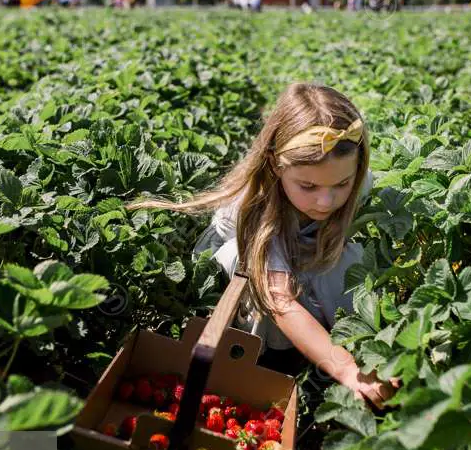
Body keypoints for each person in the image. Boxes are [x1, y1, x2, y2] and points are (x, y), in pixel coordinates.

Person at [127, 83, 400, 410]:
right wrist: (343, 368)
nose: (326, 200)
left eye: (341, 184)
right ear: (275, 165)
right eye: (308, 186)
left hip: (308, 249)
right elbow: (279, 299)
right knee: (257, 288)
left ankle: (354, 344)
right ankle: (273, 362)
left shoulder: (355, 179)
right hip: (251, 264)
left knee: (348, 263)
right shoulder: (255, 207)